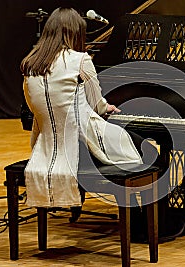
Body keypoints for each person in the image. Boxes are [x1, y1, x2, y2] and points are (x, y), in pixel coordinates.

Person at [20, 7, 151, 208]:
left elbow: (33, 107)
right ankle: (144, 221)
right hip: (83, 145)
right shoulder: (81, 60)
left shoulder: (30, 63)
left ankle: (131, 214)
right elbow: (97, 104)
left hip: (45, 145)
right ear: (74, 33)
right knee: (148, 151)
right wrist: (107, 108)